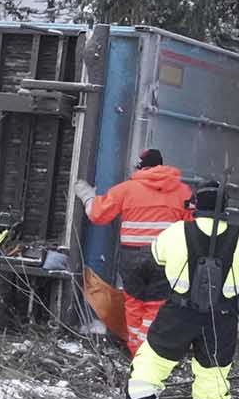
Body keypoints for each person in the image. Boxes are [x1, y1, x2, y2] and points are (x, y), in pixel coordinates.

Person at [126, 186, 239, 399]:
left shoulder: (177, 231)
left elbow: (157, 255)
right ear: (225, 208)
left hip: (179, 311)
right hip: (221, 316)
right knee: (214, 369)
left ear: (196, 206)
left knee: (156, 356)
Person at [74, 149, 192, 355]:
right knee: (156, 305)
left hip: (132, 257)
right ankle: (148, 352)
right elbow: (192, 226)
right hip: (164, 258)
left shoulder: (126, 189)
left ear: (140, 167)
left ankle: (136, 351)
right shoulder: (182, 192)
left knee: (134, 303)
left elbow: (97, 215)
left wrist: (87, 197)